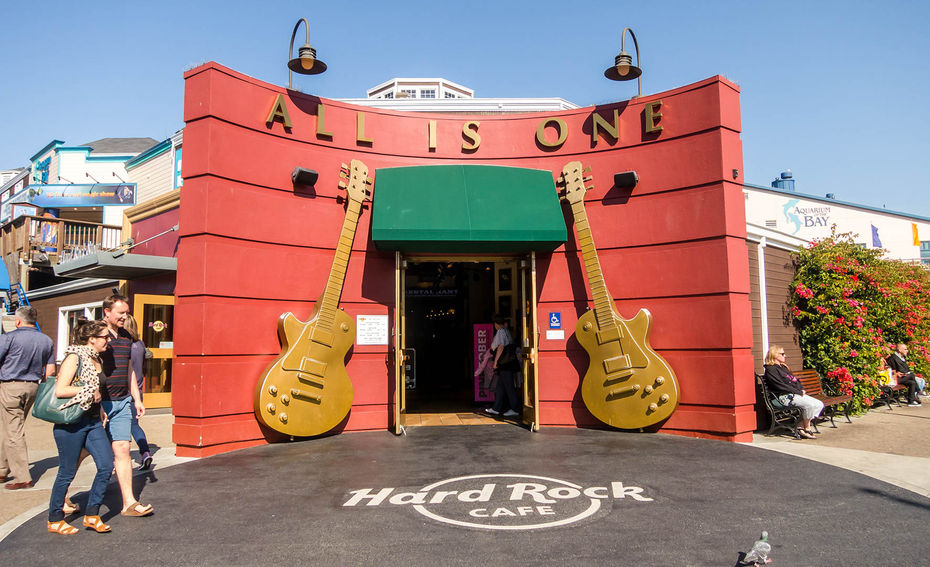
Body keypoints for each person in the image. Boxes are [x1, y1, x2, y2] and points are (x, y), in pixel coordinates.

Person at [47, 320, 114, 535]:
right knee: (66, 472)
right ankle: (55, 519)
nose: (108, 340)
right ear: (91, 339)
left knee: (106, 465)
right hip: (71, 423)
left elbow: (97, 389)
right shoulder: (74, 357)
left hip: (93, 421)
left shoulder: (97, 359)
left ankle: (92, 514)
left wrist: (100, 407)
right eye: (105, 337)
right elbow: (61, 390)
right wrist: (89, 391)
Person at [101, 294, 153, 516]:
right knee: (84, 452)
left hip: (122, 401)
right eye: (120, 313)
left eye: (126, 313)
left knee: (122, 448)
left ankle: (129, 503)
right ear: (107, 312)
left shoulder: (126, 337)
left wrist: (136, 399)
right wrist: (97, 402)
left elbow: (129, 369)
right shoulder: (96, 335)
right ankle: (62, 495)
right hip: (100, 403)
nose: (125, 317)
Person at [0, 306, 55, 490]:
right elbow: (50, 370)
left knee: (13, 431)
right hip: (33, 386)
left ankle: (23, 477)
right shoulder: (46, 340)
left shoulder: (9, 338)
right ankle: (2, 469)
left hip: (10, 385)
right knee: (10, 427)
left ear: (17, 321)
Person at [762, 345, 824, 439]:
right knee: (810, 405)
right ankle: (807, 428)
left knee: (819, 404)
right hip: (782, 397)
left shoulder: (783, 367)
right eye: (782, 354)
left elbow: (795, 380)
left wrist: (801, 389)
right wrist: (797, 391)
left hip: (793, 394)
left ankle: (800, 425)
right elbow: (779, 385)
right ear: (775, 355)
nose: (785, 356)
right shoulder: (771, 370)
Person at [124, 314, 152, 470]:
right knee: (134, 425)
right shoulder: (140, 344)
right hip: (138, 390)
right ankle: (145, 452)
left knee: (114, 426)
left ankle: (116, 459)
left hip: (124, 390)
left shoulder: (124, 345)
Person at [484, 317, 521, 418]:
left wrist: (495, 362)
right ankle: (496, 408)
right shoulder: (506, 330)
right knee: (500, 386)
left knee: (509, 387)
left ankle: (515, 409)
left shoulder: (500, 331)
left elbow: (500, 347)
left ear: (495, 324)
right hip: (508, 362)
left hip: (505, 363)